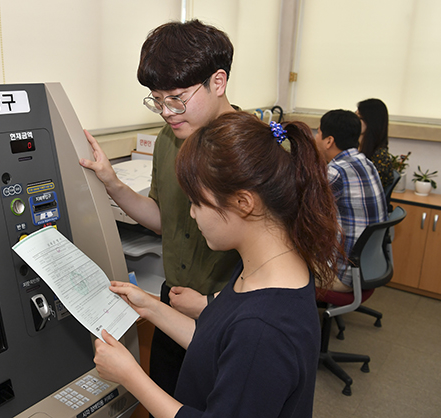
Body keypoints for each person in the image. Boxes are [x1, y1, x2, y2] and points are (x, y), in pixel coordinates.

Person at [93, 112, 343, 417]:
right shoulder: (264, 267)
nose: (192, 214)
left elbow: (245, 344)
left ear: (243, 203)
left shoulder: (263, 329)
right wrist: (151, 307)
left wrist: (130, 376)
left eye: (197, 203)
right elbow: (216, 343)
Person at [79, 20, 241, 397]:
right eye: (157, 99)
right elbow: (162, 221)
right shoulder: (169, 139)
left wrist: (212, 304)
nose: (166, 111)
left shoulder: (255, 151)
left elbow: (279, 263)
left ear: (218, 82)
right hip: (174, 301)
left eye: (177, 98)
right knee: (167, 397)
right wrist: (112, 183)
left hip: (227, 308)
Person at [314, 109, 388, 292]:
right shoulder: (366, 162)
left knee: (280, 257)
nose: (315, 137)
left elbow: (304, 210)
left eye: (318, 132)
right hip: (368, 268)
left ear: (329, 141)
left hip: (343, 275)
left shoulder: (336, 171)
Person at [357, 98, 394, 189]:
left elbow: (367, 189)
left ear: (371, 121)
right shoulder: (355, 147)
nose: (354, 121)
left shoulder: (380, 157)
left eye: (358, 118)